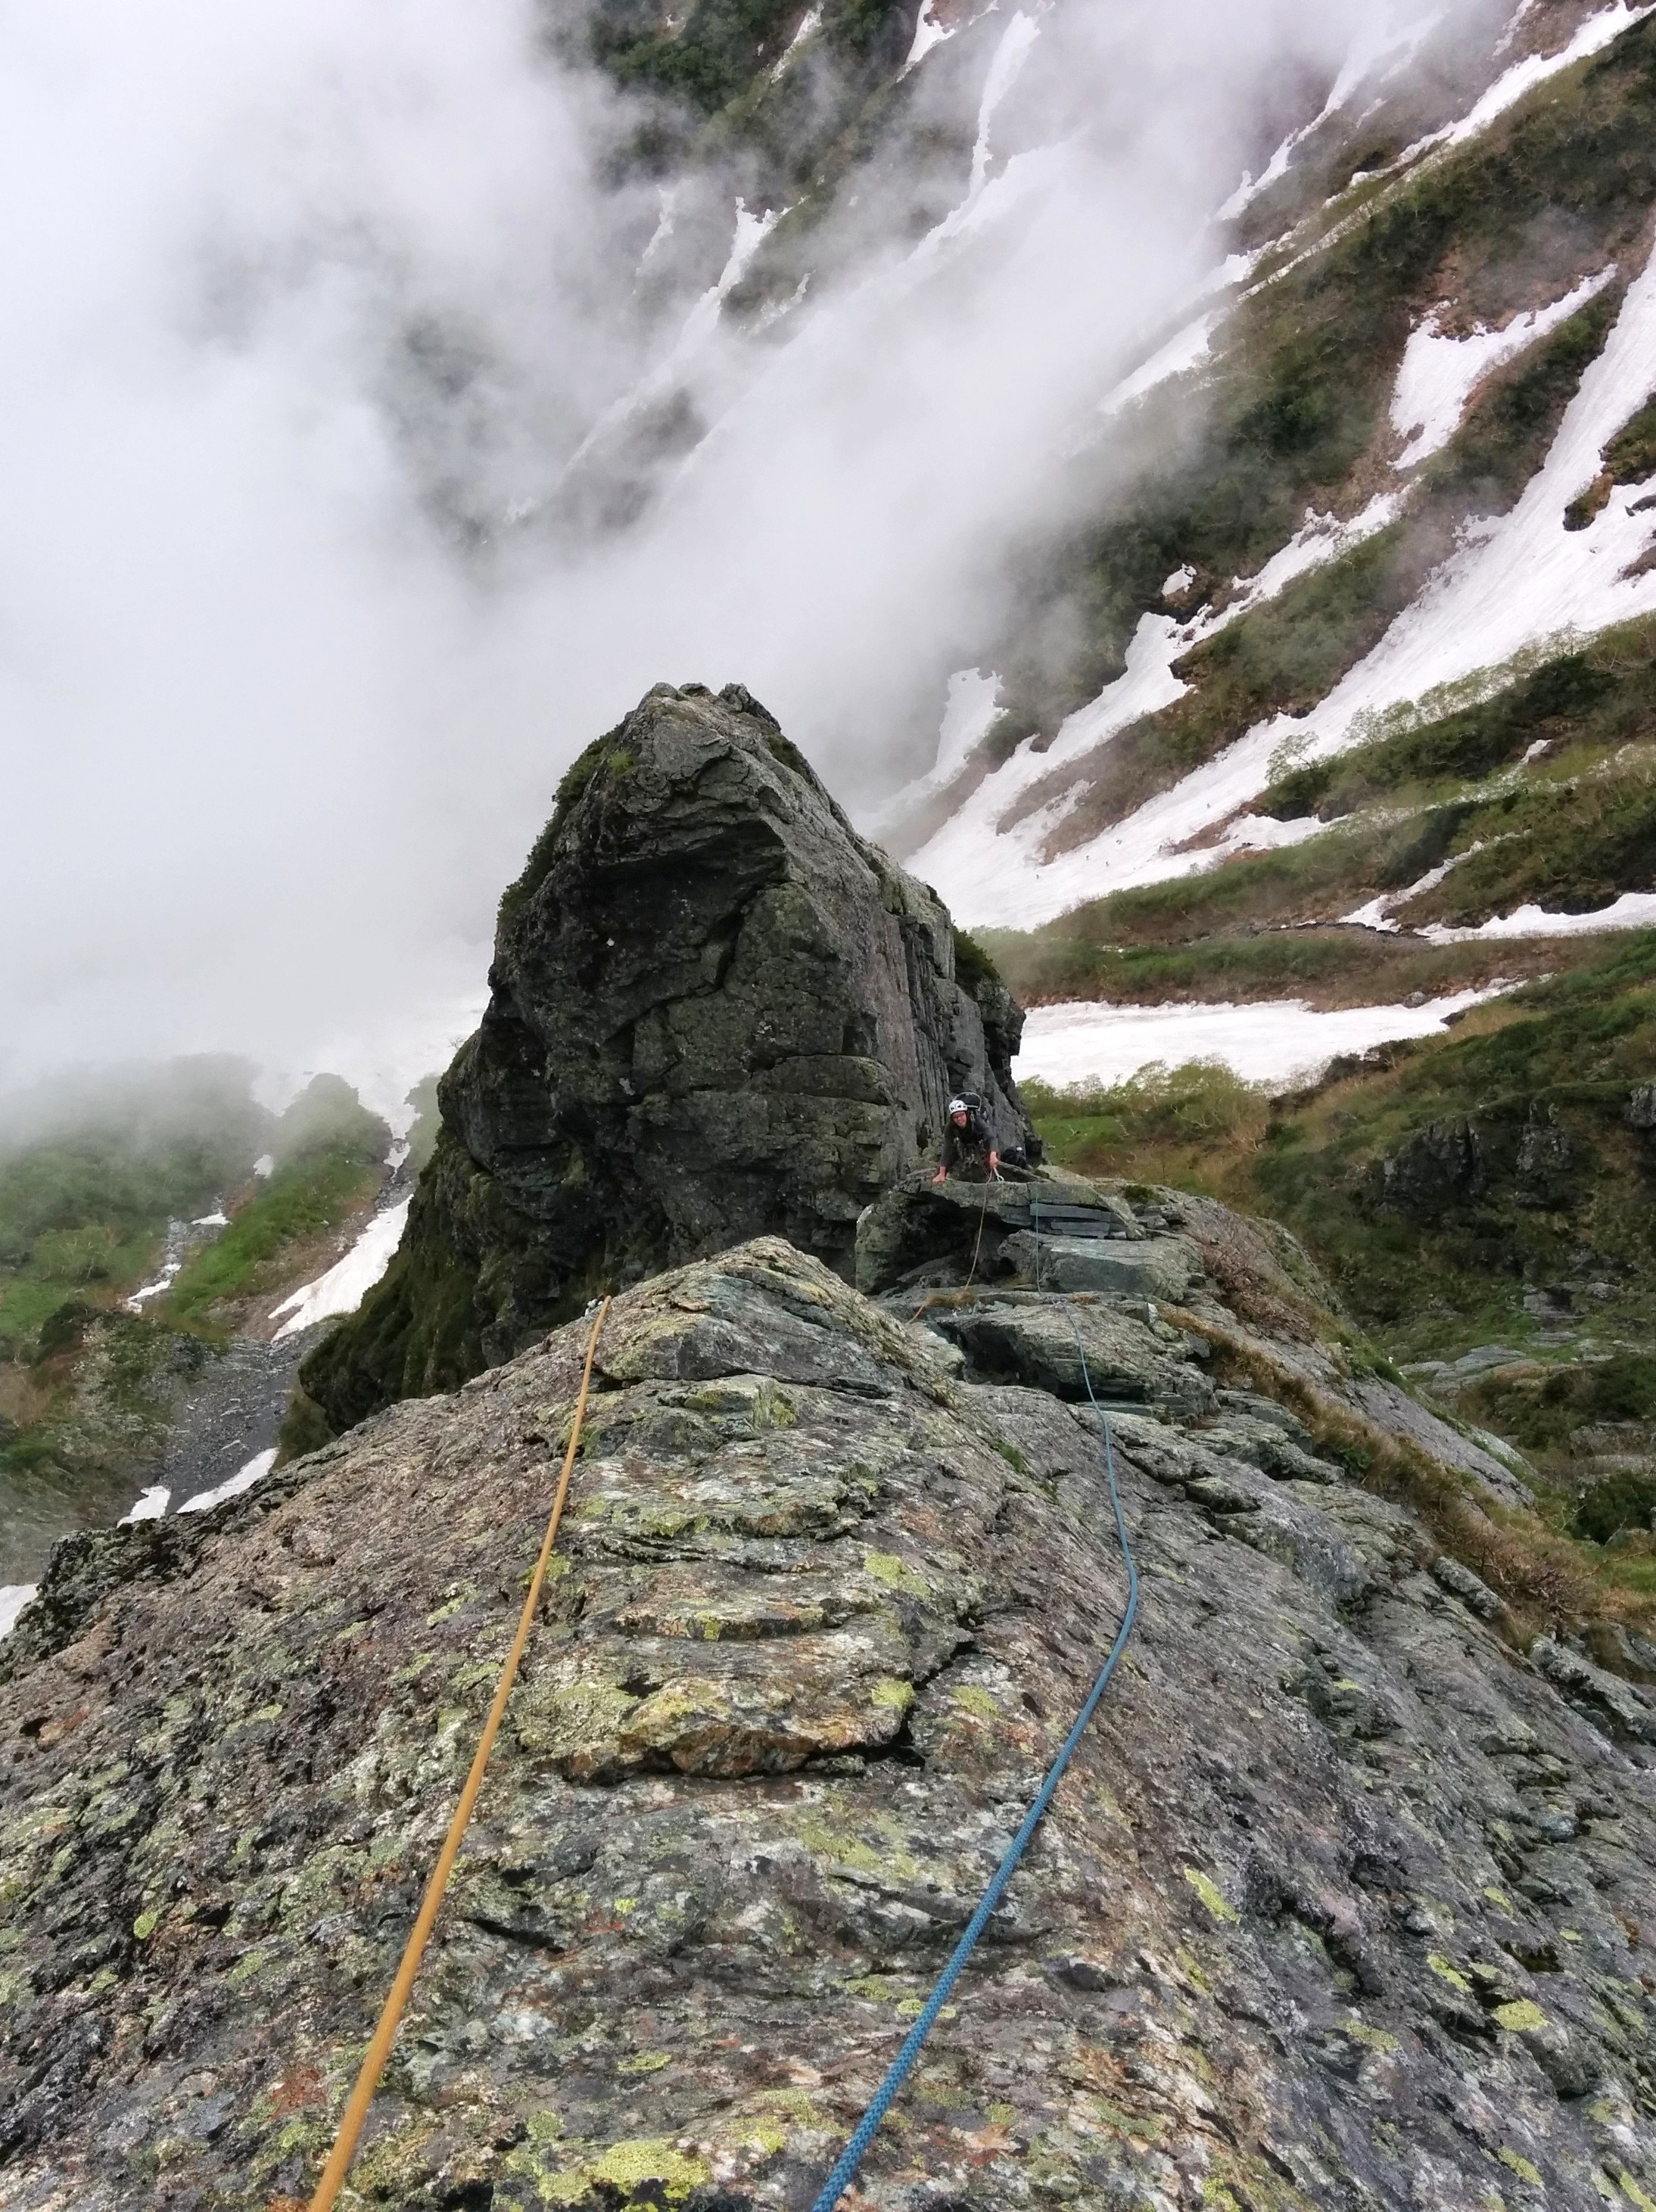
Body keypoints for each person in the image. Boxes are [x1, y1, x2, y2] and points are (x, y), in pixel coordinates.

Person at [934, 1095, 998, 1184]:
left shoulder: (976, 1120)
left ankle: (991, 1177)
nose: (959, 1119)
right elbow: (947, 1147)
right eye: (956, 1117)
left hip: (980, 1141)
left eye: (961, 1115)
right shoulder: (950, 1127)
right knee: (952, 1152)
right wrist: (942, 1172)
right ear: (952, 1119)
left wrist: (993, 1155)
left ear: (966, 1114)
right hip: (964, 1143)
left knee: (990, 1158)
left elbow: (991, 1137)